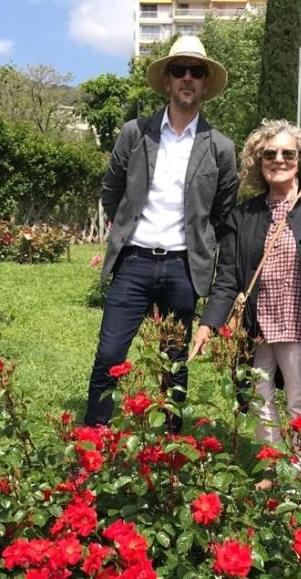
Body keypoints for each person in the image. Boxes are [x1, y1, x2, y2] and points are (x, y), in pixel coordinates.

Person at [190, 120, 301, 483]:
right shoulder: (244, 215)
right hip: (257, 326)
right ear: (259, 161)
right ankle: (271, 464)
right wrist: (208, 322)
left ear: (300, 160)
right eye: (270, 154)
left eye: (288, 153)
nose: (279, 160)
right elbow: (227, 278)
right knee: (259, 397)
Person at [84, 36, 238, 427]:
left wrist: (202, 249)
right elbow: (110, 190)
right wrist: (123, 227)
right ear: (167, 81)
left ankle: (171, 447)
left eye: (196, 71)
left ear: (205, 84)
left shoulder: (220, 148)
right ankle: (94, 438)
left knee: (174, 363)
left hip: (183, 269)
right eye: (179, 70)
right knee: (109, 354)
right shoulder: (136, 134)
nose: (187, 78)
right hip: (134, 261)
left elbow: (223, 215)